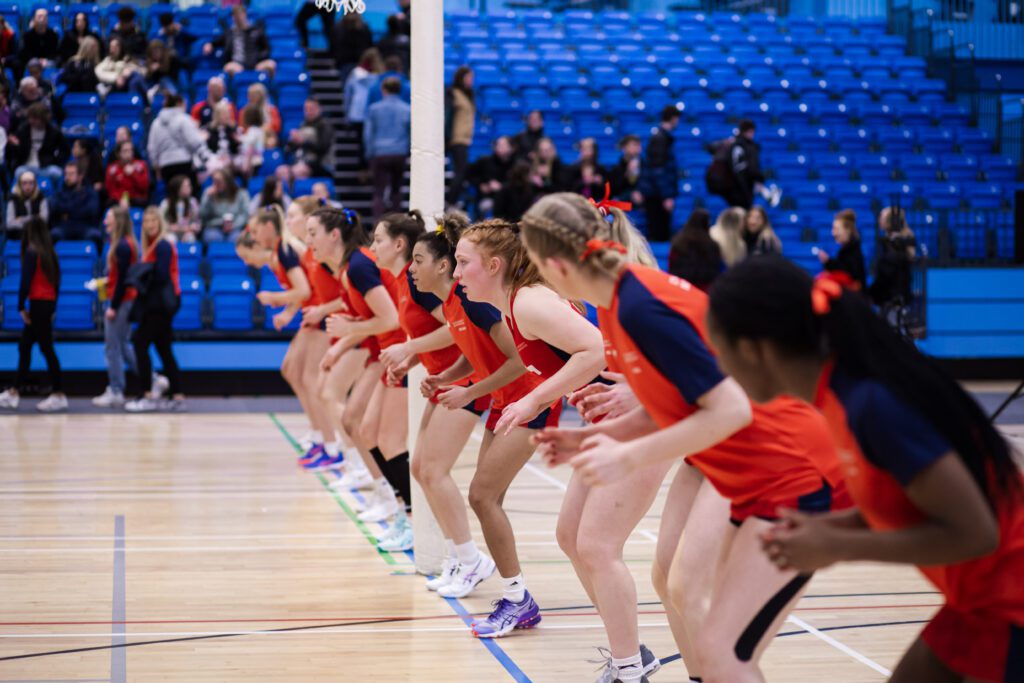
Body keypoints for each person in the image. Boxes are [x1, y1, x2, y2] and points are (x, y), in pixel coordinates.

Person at [521, 194, 851, 683]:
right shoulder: (617, 305)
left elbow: (731, 408)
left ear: (554, 265)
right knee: (676, 587)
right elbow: (674, 402)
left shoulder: (642, 306)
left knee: (723, 647)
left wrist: (628, 455)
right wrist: (597, 437)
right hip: (732, 465)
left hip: (790, 471)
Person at [706, 255, 1024, 683]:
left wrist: (837, 547)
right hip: (978, 599)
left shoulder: (872, 405)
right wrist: (827, 528)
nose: (719, 368)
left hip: (1010, 600)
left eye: (718, 350)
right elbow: (906, 505)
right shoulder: (840, 396)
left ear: (753, 349)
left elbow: (975, 532)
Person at [449, 217, 606, 638]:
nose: (457, 273)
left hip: (631, 416)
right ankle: (626, 652)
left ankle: (629, 653)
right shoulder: (515, 303)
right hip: (604, 417)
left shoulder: (527, 302)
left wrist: (535, 398)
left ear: (495, 265)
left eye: (463, 263)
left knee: (592, 547)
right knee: (575, 540)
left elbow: (596, 350)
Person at [310, 207, 400, 521]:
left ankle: (392, 498)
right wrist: (341, 346)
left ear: (334, 235)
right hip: (381, 350)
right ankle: (386, 493)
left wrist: (348, 332)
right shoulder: (350, 267)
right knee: (357, 423)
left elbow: (390, 319)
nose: (309, 242)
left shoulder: (359, 267)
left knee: (366, 427)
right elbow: (367, 319)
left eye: (313, 233)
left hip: (396, 350)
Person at [0, 217, 65, 412]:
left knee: (47, 349)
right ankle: (14, 392)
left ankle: (58, 394)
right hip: (46, 305)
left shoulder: (31, 252)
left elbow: (25, 282)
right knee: (25, 346)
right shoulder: (50, 253)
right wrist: (52, 307)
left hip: (38, 305)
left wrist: (20, 306)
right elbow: (56, 283)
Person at [126, 207, 184, 412]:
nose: (150, 225)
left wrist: (139, 278)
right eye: (146, 221)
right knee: (163, 348)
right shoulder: (150, 247)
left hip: (160, 304)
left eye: (153, 221)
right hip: (156, 303)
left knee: (140, 343)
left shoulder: (162, 246)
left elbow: (161, 276)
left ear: (160, 223)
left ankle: (147, 395)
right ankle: (176, 395)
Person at [92, 207, 139, 408]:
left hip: (122, 301)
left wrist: (113, 305)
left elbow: (122, 280)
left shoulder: (122, 246)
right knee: (123, 345)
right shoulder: (123, 244)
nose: (104, 222)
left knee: (113, 346)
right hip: (125, 299)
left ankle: (117, 389)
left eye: (108, 218)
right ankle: (153, 380)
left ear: (117, 221)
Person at [364, 78, 410, 220]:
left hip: (380, 153)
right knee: (396, 190)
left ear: (383, 90)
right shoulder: (407, 109)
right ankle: (396, 223)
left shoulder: (374, 109)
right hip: (399, 153)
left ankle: (378, 225)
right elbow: (411, 133)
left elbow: (368, 134)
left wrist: (369, 154)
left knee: (378, 191)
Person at [148, 93, 210, 191]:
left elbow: (152, 148)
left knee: (172, 196)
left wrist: (156, 166)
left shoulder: (156, 123)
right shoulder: (184, 119)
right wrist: (207, 158)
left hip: (165, 166)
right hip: (184, 163)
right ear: (179, 104)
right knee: (189, 194)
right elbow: (194, 141)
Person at [638, 105, 681, 242]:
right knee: (659, 234)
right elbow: (658, 170)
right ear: (673, 118)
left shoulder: (662, 137)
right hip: (656, 196)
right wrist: (666, 196)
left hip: (657, 193)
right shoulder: (660, 138)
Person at [204, 5, 275, 78]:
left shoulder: (256, 31)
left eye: (239, 15)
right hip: (237, 65)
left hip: (256, 64)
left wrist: (258, 58)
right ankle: (234, 87)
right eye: (235, 16)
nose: (237, 18)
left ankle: (271, 87)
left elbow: (267, 49)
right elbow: (217, 42)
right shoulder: (229, 33)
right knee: (228, 67)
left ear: (245, 14)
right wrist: (210, 44)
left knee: (271, 64)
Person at [9, 102, 68, 188]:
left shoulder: (54, 131)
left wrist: (55, 160)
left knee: (57, 173)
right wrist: (14, 146)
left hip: (45, 167)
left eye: (35, 119)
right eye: (30, 118)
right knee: (18, 172)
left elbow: (65, 150)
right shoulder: (23, 130)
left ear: (43, 119)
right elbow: (16, 155)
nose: (31, 121)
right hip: (26, 166)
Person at [869, 205, 917, 309]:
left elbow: (886, 275)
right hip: (892, 299)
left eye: (882, 217)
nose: (879, 219)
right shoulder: (893, 242)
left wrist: (870, 294)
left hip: (894, 300)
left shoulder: (896, 244)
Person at [668, 208, 723, 291]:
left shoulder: (678, 242)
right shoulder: (712, 245)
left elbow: (671, 265)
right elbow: (715, 270)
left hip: (681, 287)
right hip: (704, 290)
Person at [281, 98, 332, 181]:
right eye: (306, 109)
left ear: (319, 109)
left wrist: (303, 141)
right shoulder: (303, 125)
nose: (308, 111)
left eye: (311, 108)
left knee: (297, 172)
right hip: (301, 162)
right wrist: (292, 142)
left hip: (320, 164)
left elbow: (322, 148)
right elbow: (294, 147)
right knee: (281, 171)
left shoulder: (324, 126)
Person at [446, 66, 475, 207]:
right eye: (468, 77)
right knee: (460, 170)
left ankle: (453, 200)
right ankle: (450, 201)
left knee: (462, 171)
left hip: (465, 138)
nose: (471, 81)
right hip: (457, 137)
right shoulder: (453, 94)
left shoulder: (467, 95)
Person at [50, 162, 101, 244]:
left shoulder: (90, 193)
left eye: (71, 174)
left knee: (95, 235)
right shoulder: (59, 193)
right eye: (66, 174)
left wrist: (67, 212)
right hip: (64, 227)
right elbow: (55, 208)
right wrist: (79, 206)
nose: (67, 177)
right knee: (54, 234)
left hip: (85, 227)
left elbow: (92, 211)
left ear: (80, 176)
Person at [818, 209, 866, 290]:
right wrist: (828, 262)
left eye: (836, 229)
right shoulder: (847, 250)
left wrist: (828, 263)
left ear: (847, 230)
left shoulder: (854, 253)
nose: (833, 233)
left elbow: (849, 277)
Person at [467, 136, 515, 217]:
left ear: (511, 148)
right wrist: (480, 185)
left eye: (503, 145)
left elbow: (518, 184)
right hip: (488, 198)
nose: (499, 147)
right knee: (486, 206)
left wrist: (502, 187)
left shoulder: (515, 164)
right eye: (498, 145)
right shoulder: (484, 161)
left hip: (509, 199)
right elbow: (469, 175)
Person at [199, 169, 249, 243]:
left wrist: (234, 225)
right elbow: (203, 216)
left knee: (236, 238)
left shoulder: (241, 194)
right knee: (213, 238)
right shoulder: (208, 194)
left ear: (228, 182)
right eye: (214, 181)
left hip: (235, 227)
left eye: (219, 181)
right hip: (214, 227)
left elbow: (244, 215)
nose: (216, 184)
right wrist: (208, 199)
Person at [104, 139, 149, 209]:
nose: (128, 153)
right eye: (125, 151)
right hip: (118, 201)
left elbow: (144, 187)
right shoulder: (112, 169)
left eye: (130, 150)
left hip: (136, 200)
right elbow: (110, 190)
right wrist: (121, 199)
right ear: (118, 153)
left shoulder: (141, 165)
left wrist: (133, 174)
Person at [330, 10, 373, 82]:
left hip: (345, 62)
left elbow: (333, 45)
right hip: (360, 62)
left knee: (347, 88)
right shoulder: (364, 27)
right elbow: (369, 45)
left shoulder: (338, 27)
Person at [5, 169, 48, 240]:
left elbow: (44, 220)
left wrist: (20, 219)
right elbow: (9, 223)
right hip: (18, 235)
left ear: (35, 184)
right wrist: (34, 218)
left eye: (31, 183)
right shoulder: (12, 199)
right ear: (19, 185)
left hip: (37, 234)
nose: (28, 186)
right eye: (24, 183)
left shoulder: (41, 198)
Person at [159, 174, 201, 243]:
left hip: (187, 233)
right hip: (171, 233)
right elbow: (161, 222)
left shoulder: (193, 202)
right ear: (178, 188)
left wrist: (193, 228)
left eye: (190, 185)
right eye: (187, 186)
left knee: (190, 238)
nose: (190, 188)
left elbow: (197, 221)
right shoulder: (166, 203)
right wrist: (174, 228)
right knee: (170, 239)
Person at [204, 100, 241, 174]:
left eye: (227, 113)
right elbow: (208, 147)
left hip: (231, 157)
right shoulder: (209, 128)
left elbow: (237, 148)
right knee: (214, 165)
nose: (226, 116)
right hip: (215, 157)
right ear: (217, 115)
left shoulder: (233, 128)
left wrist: (238, 141)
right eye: (223, 113)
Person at [608, 134, 643, 206]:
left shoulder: (644, 164)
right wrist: (627, 173)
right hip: (622, 201)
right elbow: (614, 190)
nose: (637, 148)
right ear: (624, 148)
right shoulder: (617, 167)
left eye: (638, 145)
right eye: (634, 145)